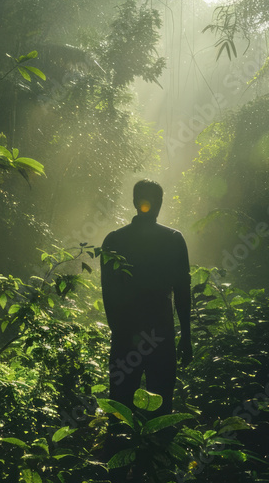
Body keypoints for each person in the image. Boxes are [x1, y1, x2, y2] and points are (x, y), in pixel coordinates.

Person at [100, 179, 192, 418]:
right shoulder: (173, 239)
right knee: (160, 407)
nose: (152, 205)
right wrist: (186, 336)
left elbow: (108, 293)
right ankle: (155, 451)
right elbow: (182, 290)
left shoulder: (114, 240)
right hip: (160, 333)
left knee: (120, 406)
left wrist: (118, 331)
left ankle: (119, 448)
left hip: (126, 334)